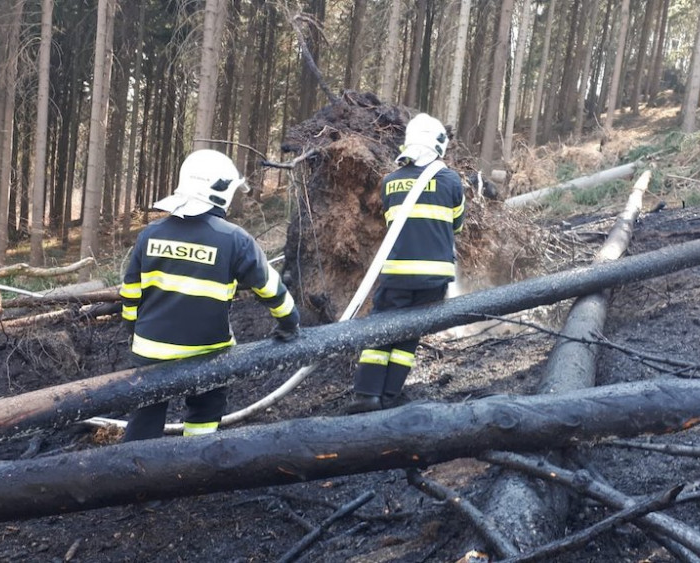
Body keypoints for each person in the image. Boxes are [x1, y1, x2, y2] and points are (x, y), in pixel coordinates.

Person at [119, 149, 300, 441]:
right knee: (205, 411)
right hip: (208, 351)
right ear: (221, 189)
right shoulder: (234, 239)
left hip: (150, 350)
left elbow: (130, 293)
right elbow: (269, 287)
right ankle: (195, 458)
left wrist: (134, 332)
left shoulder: (150, 234)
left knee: (145, 416)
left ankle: (132, 464)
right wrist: (289, 322)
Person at [345, 113, 465, 414]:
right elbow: (457, 225)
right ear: (438, 144)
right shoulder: (451, 181)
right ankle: (390, 395)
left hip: (397, 274)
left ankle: (367, 394)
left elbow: (393, 224)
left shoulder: (390, 183)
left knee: (381, 329)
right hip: (435, 278)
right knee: (410, 334)